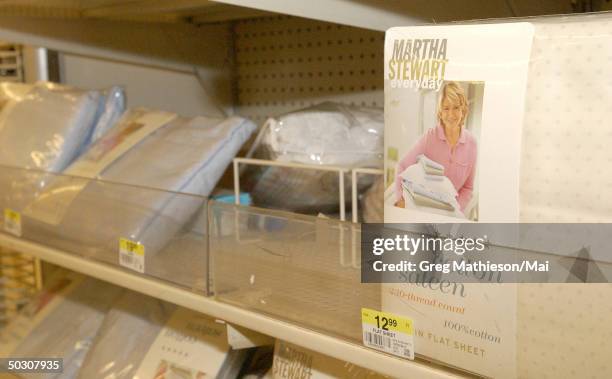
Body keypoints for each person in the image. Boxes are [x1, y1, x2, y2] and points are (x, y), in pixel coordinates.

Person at [394, 82, 477, 213]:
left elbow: (467, 188)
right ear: (440, 111)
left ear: (463, 110)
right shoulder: (430, 137)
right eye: (446, 108)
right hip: (423, 206)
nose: (451, 114)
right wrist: (401, 198)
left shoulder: (472, 144)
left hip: (451, 211)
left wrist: (454, 210)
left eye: (456, 107)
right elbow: (402, 166)